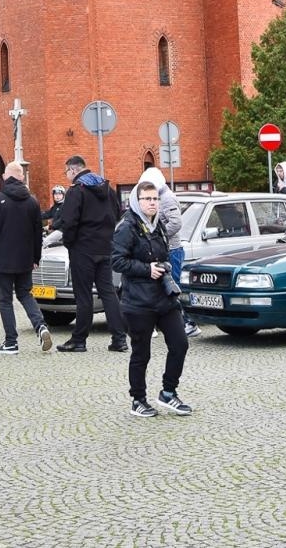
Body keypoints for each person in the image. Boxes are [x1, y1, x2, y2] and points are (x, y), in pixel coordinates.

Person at [111, 179, 192, 418]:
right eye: (147, 199)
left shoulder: (159, 226)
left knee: (180, 343)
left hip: (164, 298)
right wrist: (147, 269)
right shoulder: (127, 227)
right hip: (138, 301)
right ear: (137, 201)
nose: (152, 203)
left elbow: (163, 254)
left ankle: (168, 392)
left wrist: (163, 266)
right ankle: (138, 400)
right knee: (141, 353)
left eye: (155, 199)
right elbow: (117, 261)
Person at [55, 155, 128, 353]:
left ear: (73, 170)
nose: (67, 175)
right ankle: (119, 339)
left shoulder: (76, 190)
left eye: (66, 172)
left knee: (83, 295)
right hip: (105, 247)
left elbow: (69, 221)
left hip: (82, 249)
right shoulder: (106, 187)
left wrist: (69, 243)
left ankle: (79, 340)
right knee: (108, 293)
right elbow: (117, 214)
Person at [0, 162, 52, 354]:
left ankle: (11, 342)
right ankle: (40, 326)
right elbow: (37, 233)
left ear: (5, 177)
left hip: (3, 258)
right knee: (25, 294)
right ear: (21, 177)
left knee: (6, 299)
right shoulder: (32, 202)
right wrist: (36, 258)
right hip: (25, 258)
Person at [138, 166, 199, 338]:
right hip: (165, 249)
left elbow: (176, 223)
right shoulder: (160, 198)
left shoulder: (167, 199)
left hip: (172, 249)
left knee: (172, 287)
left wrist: (157, 236)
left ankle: (188, 323)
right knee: (161, 288)